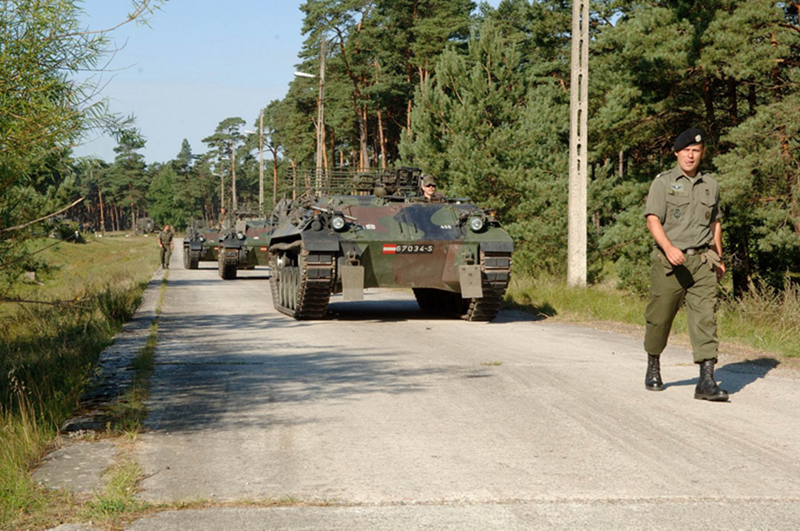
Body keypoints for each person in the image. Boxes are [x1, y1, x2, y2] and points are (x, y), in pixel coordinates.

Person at [643, 128, 728, 402]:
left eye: (696, 151)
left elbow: (715, 223)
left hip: (702, 261)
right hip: (670, 263)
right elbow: (653, 220)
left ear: (702, 154)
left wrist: (718, 258)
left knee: (705, 317)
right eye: (687, 151)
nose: (691, 156)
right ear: (677, 153)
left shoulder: (710, 185)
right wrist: (669, 248)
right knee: (660, 317)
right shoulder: (663, 183)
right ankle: (653, 364)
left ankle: (706, 380)